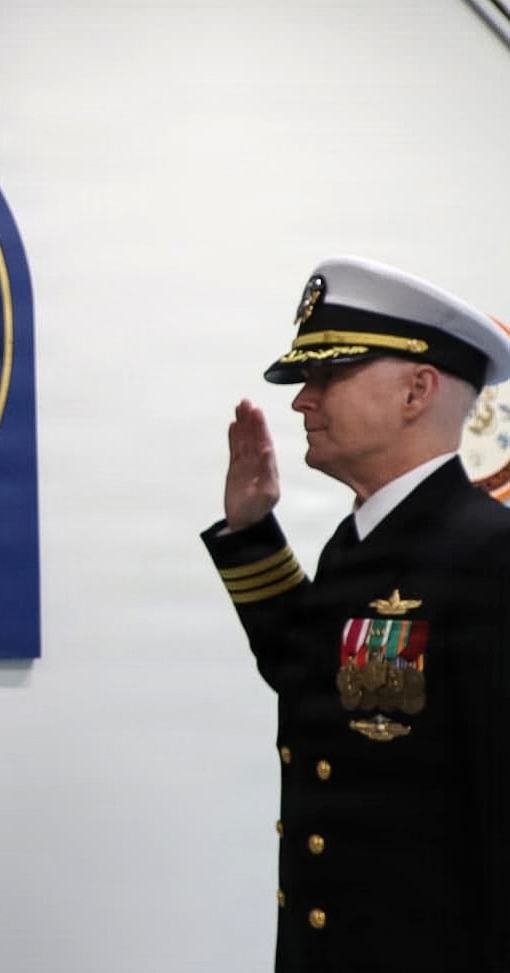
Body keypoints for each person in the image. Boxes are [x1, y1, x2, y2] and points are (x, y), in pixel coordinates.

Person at [203, 254, 510, 971]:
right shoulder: (364, 539)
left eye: (327, 377)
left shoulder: (489, 559)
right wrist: (251, 537)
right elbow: (328, 688)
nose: (302, 401)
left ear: (416, 390)